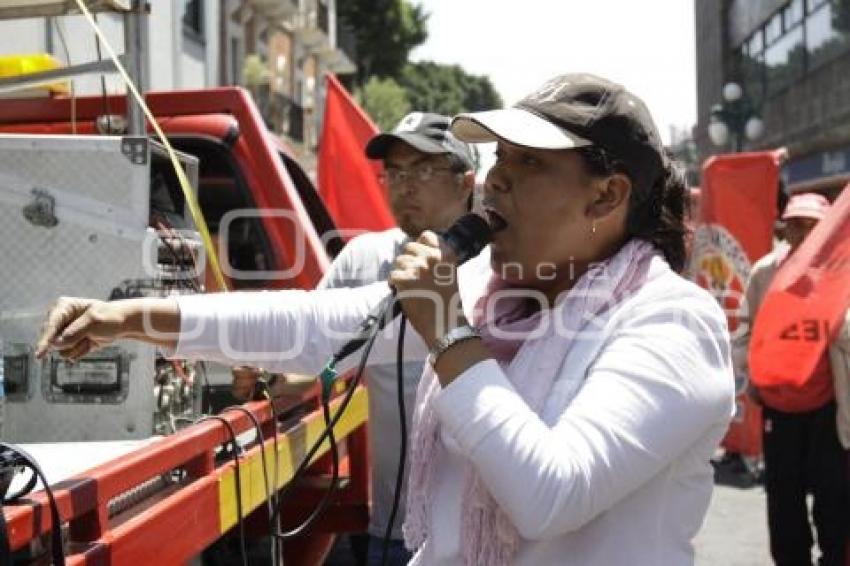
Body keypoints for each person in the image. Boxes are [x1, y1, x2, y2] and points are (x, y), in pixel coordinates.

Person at [36, 73, 734, 565]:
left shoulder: (671, 324)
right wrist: (128, 316)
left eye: (527, 164)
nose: (494, 182)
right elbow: (313, 327)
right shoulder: (495, 297)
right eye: (497, 160)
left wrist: (449, 334)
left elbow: (551, 494)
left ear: (606, 197)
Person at [322, 112, 476, 565]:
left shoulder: (508, 269)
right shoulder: (362, 258)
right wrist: (263, 372)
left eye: (423, 169)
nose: (404, 184)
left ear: (465, 181)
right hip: (391, 531)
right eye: (395, 171)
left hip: (481, 534)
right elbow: (314, 348)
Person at [736, 192, 850, 566]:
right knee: (784, 503)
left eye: (812, 227)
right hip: (779, 407)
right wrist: (751, 374)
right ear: (785, 231)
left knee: (834, 502)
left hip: (828, 409)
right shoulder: (765, 273)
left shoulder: (841, 274)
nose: (803, 236)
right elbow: (747, 333)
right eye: (796, 227)